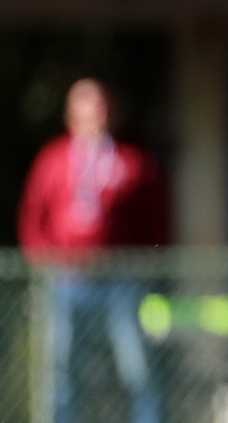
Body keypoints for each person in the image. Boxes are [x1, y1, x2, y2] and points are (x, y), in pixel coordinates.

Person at [18, 77, 171, 423]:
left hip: (120, 281)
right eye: (85, 107)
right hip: (66, 281)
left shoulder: (133, 162)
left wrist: (149, 260)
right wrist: (42, 264)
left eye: (100, 107)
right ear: (71, 115)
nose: (94, 115)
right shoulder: (53, 160)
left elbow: (157, 218)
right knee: (61, 367)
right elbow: (33, 216)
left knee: (136, 367)